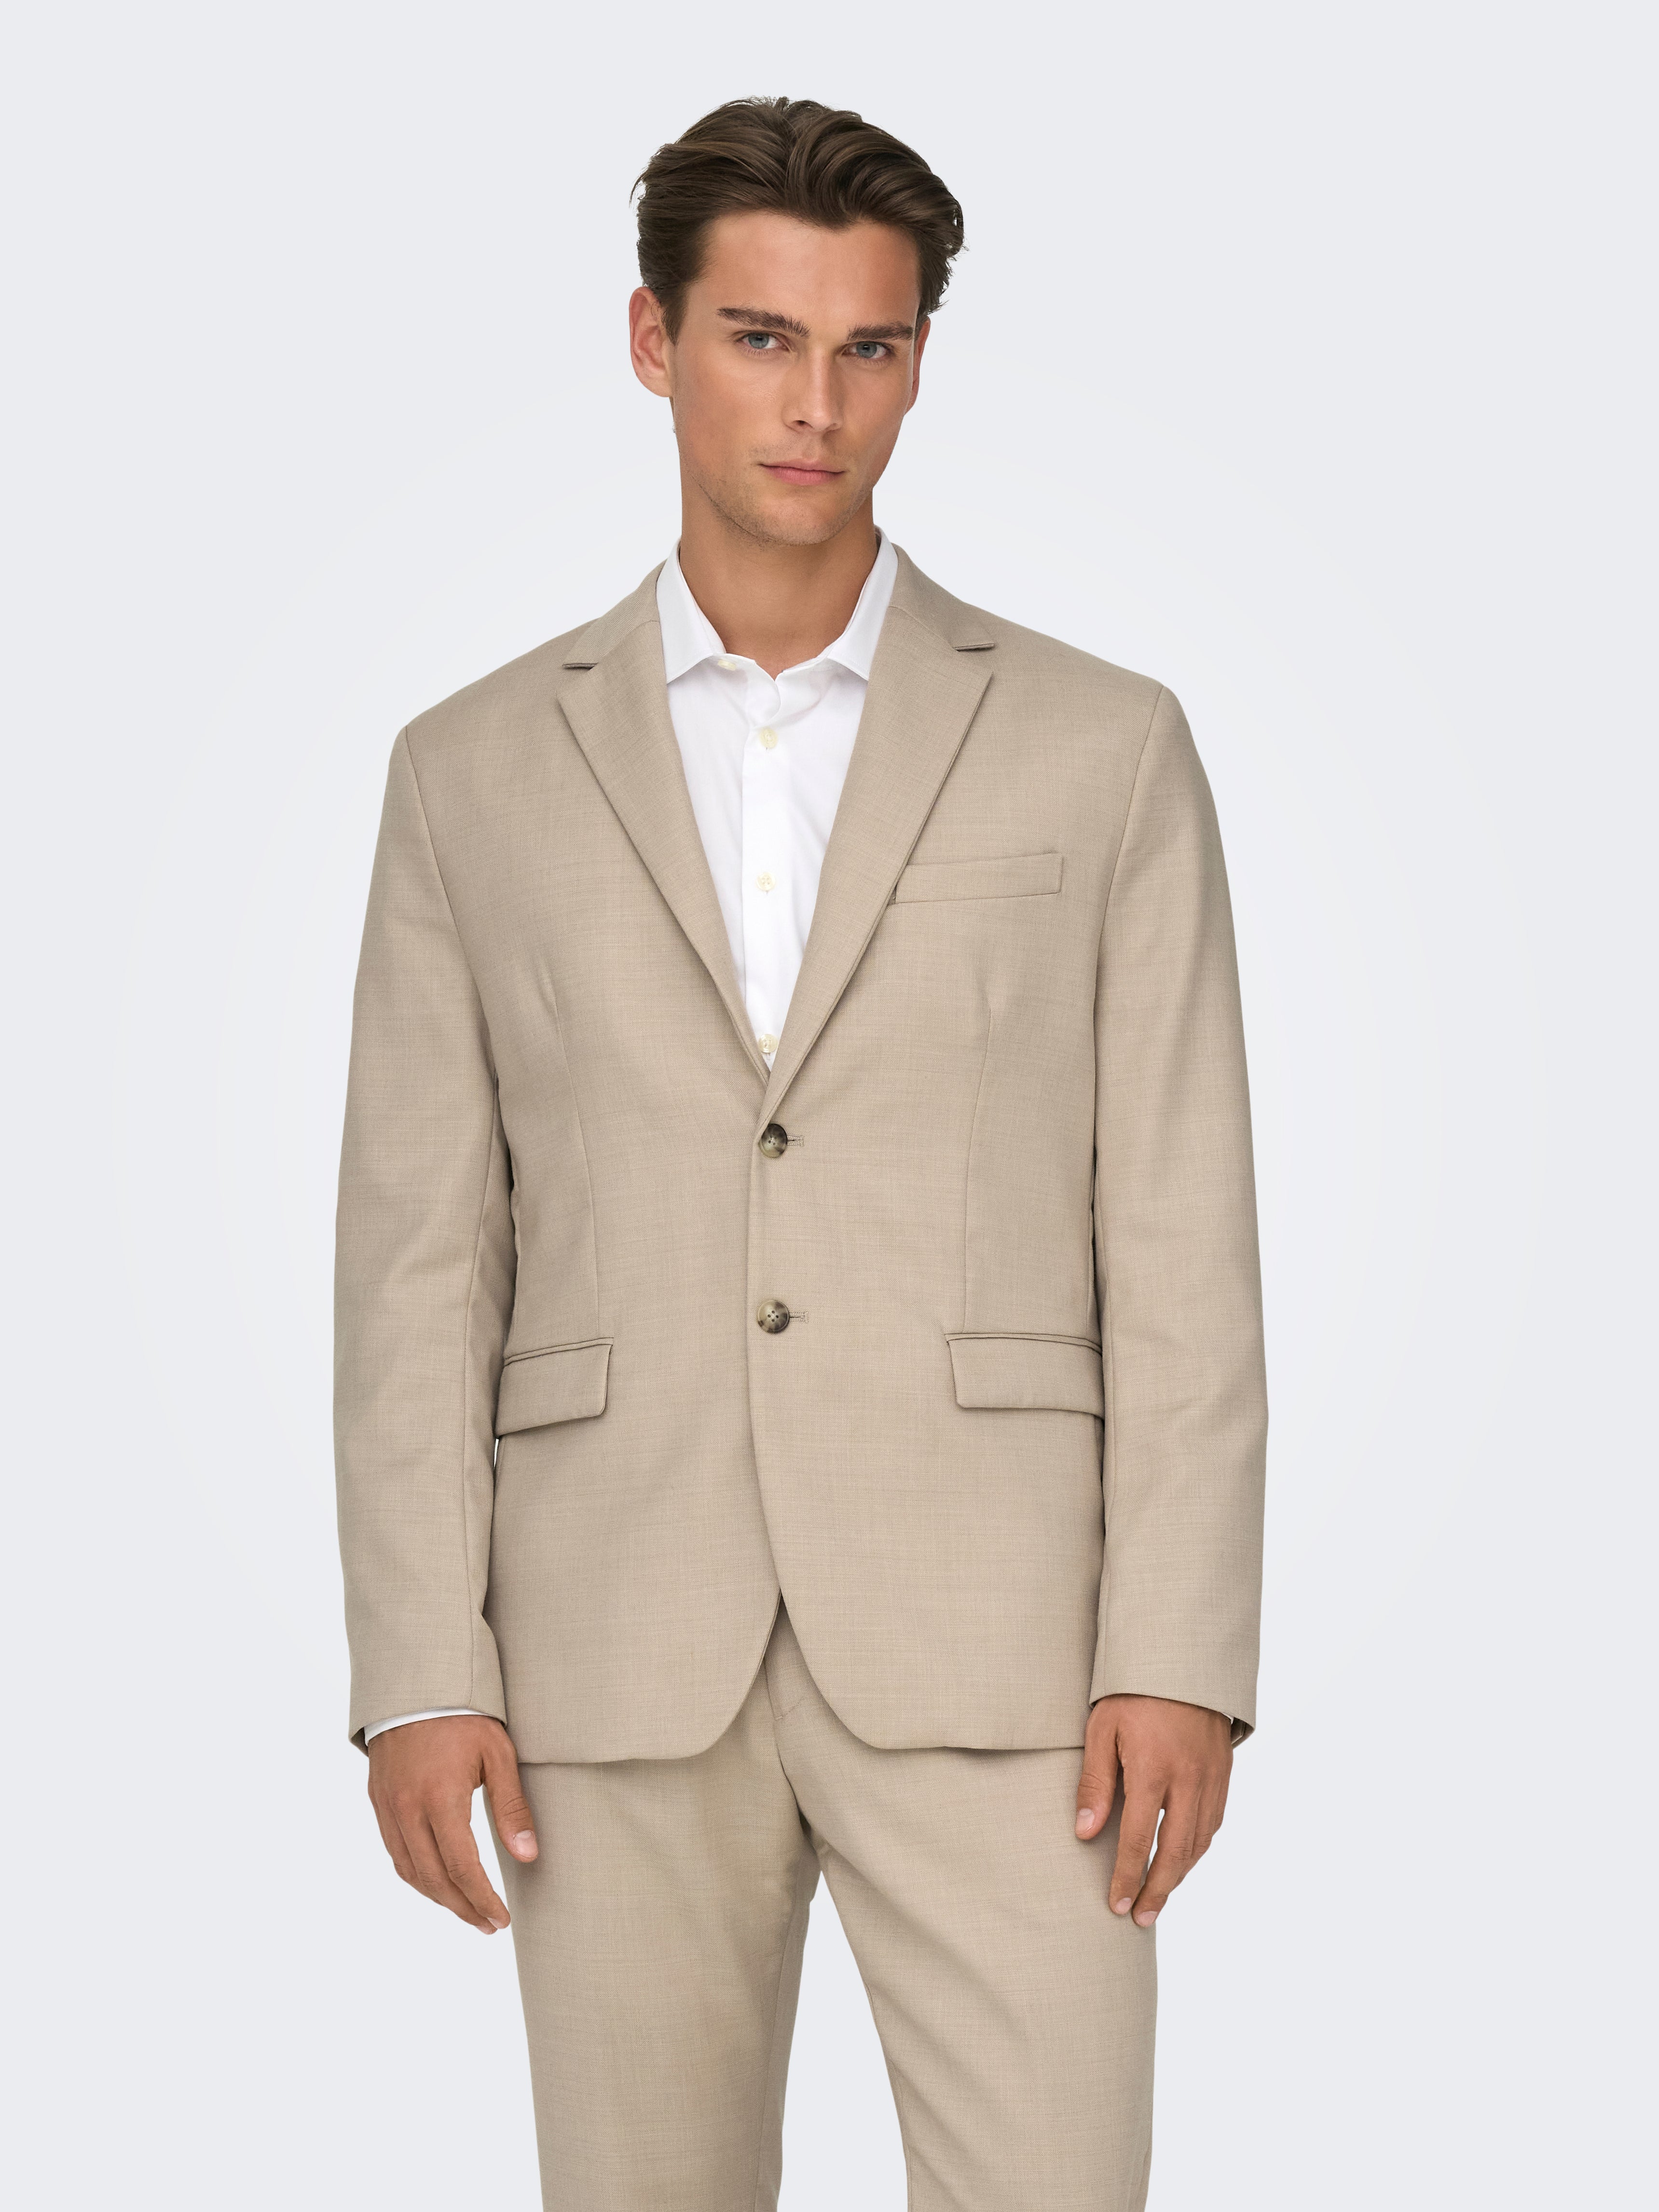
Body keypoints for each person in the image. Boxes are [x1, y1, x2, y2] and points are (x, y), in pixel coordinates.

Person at [335, 94, 1267, 2212]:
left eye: (867, 347)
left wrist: (1179, 1647)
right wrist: (418, 1666)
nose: (815, 406)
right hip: (606, 1646)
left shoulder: (1103, 746)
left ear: (918, 359)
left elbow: (1180, 1227)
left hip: (1012, 1647)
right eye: (760, 338)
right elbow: (416, 1257)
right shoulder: (468, 771)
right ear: (651, 340)